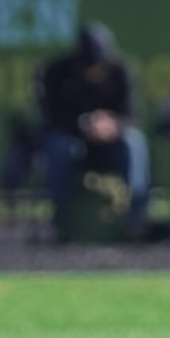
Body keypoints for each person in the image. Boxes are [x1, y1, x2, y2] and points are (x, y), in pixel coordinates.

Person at [36, 23, 149, 239]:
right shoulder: (57, 71)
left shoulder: (120, 70)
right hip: (72, 137)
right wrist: (83, 125)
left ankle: (135, 218)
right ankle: (61, 221)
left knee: (134, 142)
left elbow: (132, 115)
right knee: (60, 147)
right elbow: (50, 118)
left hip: (111, 140)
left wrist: (111, 125)